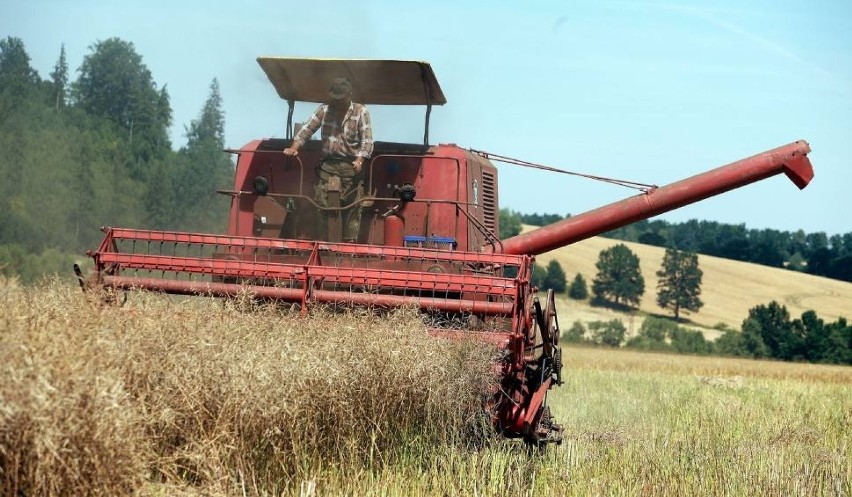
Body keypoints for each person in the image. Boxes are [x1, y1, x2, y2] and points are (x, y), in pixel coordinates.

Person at [283, 76, 373, 242]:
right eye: (335, 99)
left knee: (353, 205)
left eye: (340, 99)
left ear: (349, 96)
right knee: (323, 202)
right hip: (328, 166)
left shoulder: (361, 112)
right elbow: (306, 129)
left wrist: (359, 160)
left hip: (352, 167)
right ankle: (325, 242)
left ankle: (349, 245)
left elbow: (367, 140)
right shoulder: (324, 110)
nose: (337, 102)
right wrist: (294, 148)